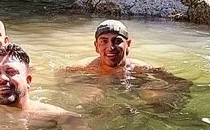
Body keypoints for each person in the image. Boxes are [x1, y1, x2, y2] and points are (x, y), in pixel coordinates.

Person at [62, 20, 191, 110]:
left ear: (128, 44)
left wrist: (158, 94)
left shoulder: (141, 69)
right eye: (104, 42)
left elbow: (182, 83)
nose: (111, 47)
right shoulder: (83, 67)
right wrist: (76, 88)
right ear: (96, 46)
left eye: (117, 41)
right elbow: (60, 79)